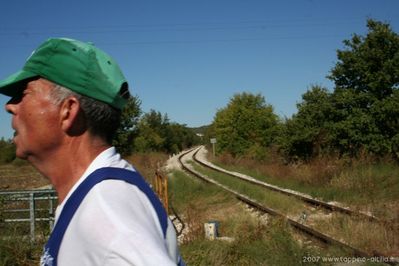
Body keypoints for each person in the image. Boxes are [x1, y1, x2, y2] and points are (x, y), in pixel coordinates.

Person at [0, 38, 184, 266]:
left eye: (23, 94)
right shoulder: (97, 196)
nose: (10, 106)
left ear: (68, 111)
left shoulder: (106, 213)